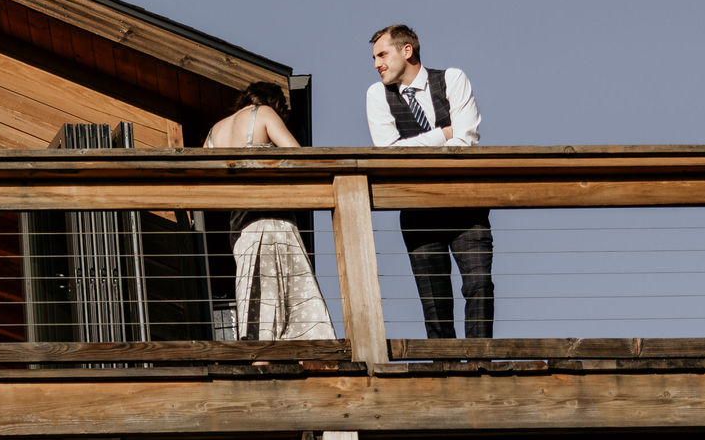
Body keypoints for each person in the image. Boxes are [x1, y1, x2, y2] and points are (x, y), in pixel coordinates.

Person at [366, 23, 493, 339]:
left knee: (479, 286)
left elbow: (466, 142)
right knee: (434, 300)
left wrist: (433, 141)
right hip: (417, 208)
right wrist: (442, 134)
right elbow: (388, 153)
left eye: (382, 54)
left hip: (467, 203)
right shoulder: (377, 94)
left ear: (406, 51)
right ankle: (445, 374)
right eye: (374, 58)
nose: (376, 64)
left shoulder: (452, 79)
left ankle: (481, 363)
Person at [204, 83, 336, 342]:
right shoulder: (263, 113)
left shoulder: (214, 132)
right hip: (273, 218)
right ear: (275, 104)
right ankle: (303, 352)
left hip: (240, 228)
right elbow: (299, 157)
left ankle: (259, 354)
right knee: (286, 293)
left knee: (253, 293)